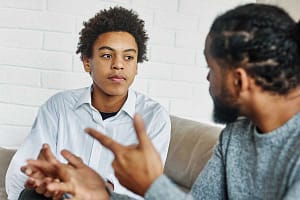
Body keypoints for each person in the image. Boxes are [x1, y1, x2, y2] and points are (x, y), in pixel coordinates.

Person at [23, 3, 300, 200]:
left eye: (212, 68)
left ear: (239, 80)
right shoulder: (235, 138)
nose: (207, 79)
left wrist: (153, 185)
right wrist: (103, 194)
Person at [6, 6, 171, 200]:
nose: (119, 64)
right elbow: (22, 169)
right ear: (87, 62)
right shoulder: (59, 106)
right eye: (107, 55)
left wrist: (97, 190)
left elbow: (145, 188)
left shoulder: (154, 117)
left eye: (128, 57)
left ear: (136, 66)